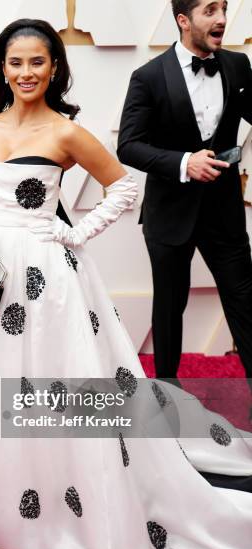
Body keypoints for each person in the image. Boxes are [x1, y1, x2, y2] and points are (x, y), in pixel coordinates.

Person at [0, 18, 252, 549]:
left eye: (37, 62)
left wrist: (76, 236)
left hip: (44, 280)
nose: (26, 72)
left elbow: (124, 185)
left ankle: (55, 505)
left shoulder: (66, 133)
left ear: (55, 67)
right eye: (15, 63)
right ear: (0, 69)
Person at [117, 0, 252, 390]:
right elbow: (129, 145)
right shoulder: (149, 77)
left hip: (224, 211)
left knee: (245, 301)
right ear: (183, 20)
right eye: (210, 10)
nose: (222, 19)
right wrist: (183, 163)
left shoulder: (237, 66)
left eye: (224, 8)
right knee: (170, 306)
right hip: (169, 214)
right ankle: (167, 398)